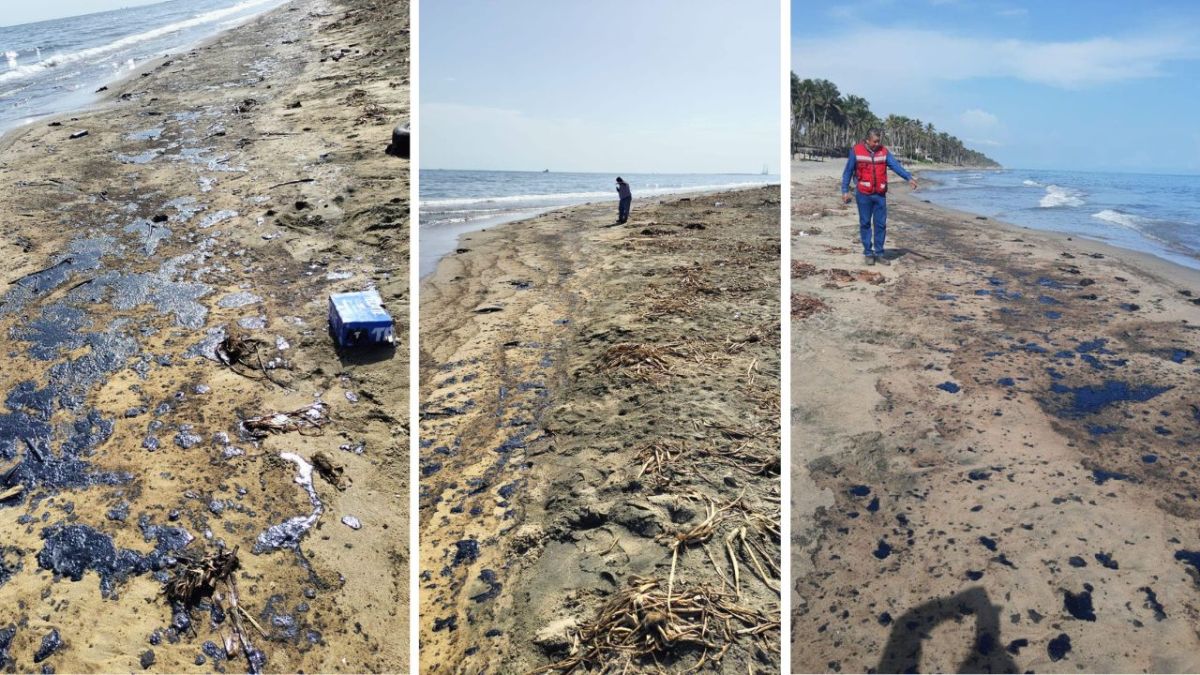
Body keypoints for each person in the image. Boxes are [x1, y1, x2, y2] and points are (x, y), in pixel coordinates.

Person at [841, 129, 918, 265]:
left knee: (880, 224)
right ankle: (868, 253)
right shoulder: (856, 151)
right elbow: (848, 171)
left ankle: (879, 253)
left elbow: (895, 166)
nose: (877, 144)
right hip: (863, 194)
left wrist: (908, 177)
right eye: (875, 141)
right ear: (867, 140)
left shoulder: (884, 152)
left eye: (879, 141)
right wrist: (845, 190)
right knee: (865, 223)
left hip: (880, 194)